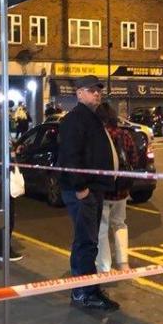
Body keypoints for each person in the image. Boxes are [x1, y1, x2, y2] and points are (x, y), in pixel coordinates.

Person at [58, 75, 120, 311]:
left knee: (85, 242)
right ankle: (87, 292)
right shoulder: (75, 120)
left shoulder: (91, 118)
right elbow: (70, 156)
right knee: (87, 242)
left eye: (98, 90)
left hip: (94, 188)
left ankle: (82, 289)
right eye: (91, 90)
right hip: (84, 191)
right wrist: (81, 187)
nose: (97, 93)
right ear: (79, 94)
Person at [95, 102, 139, 273]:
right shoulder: (124, 135)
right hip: (122, 189)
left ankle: (105, 267)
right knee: (120, 224)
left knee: (102, 228)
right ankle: (123, 264)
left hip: (104, 189)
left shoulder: (99, 136)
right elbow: (134, 160)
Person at [0, 106, 25, 262]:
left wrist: (15, 150)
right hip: (2, 178)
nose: (8, 114)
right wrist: (6, 166)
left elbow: (4, 151)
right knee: (5, 215)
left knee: (5, 214)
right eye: (5, 111)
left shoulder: (1, 129)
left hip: (3, 177)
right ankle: (2, 250)